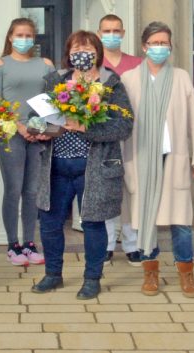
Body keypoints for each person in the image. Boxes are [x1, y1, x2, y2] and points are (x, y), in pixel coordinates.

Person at [31, 30, 133, 300]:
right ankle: (53, 274)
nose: (83, 53)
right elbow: (36, 116)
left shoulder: (111, 83)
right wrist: (39, 128)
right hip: (56, 167)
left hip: (94, 167)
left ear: (98, 52)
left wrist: (84, 127)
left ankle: (92, 278)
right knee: (50, 223)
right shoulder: (55, 82)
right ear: (69, 52)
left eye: (88, 48)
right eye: (77, 48)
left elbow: (124, 126)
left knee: (92, 223)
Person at [120, 22, 194, 298]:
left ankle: (186, 273)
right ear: (144, 46)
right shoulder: (129, 79)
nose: (160, 48)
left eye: (164, 43)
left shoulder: (181, 77)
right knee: (148, 217)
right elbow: (122, 123)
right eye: (154, 43)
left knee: (180, 220)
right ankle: (151, 273)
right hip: (142, 158)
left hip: (175, 156)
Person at [0, 18, 54, 266]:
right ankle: (12, 245)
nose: (24, 39)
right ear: (10, 37)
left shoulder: (45, 64)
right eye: (19, 35)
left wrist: (39, 128)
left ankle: (29, 243)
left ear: (34, 38)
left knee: (32, 191)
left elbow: (52, 99)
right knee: (14, 189)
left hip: (39, 134)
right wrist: (18, 126)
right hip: (9, 133)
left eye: (28, 35)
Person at [96, 14, 144, 265]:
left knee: (132, 190)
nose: (111, 35)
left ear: (123, 33)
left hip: (135, 135)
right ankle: (105, 243)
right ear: (98, 32)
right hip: (104, 137)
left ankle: (132, 242)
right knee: (106, 190)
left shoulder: (138, 63)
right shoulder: (94, 64)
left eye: (116, 30)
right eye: (107, 30)